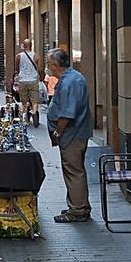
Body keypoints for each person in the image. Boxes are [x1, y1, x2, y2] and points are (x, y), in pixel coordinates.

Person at [46, 48, 93, 223]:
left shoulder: (69, 82)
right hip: (77, 133)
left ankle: (77, 210)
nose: (47, 67)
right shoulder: (73, 77)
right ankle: (80, 204)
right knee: (75, 169)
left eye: (49, 63)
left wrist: (58, 132)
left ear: (55, 65)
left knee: (73, 170)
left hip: (72, 135)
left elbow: (67, 113)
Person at [13, 39, 43, 127]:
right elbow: (40, 69)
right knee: (35, 100)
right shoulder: (36, 56)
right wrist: (39, 77)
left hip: (22, 81)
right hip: (33, 80)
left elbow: (17, 68)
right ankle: (34, 112)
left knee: (24, 101)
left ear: (23, 46)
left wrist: (19, 74)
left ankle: (25, 119)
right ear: (31, 45)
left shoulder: (18, 56)